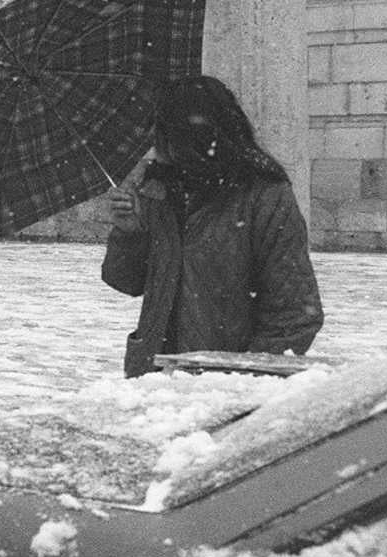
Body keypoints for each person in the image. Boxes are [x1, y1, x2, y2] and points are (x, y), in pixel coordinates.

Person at [102, 76, 324, 378]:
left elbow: (295, 313)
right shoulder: (157, 190)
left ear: (194, 136)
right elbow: (126, 282)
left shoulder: (263, 196)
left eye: (164, 133)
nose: (155, 145)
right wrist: (129, 233)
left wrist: (240, 379)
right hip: (154, 380)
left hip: (223, 387)